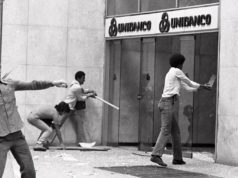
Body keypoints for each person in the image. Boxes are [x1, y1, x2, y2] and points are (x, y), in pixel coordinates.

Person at [150, 53, 211, 167]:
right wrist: (202, 86)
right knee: (166, 130)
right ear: (179, 64)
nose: (183, 66)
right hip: (167, 103)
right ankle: (155, 155)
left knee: (175, 132)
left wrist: (200, 88)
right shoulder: (176, 71)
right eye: (182, 64)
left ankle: (177, 158)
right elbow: (189, 82)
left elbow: (187, 87)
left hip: (168, 103)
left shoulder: (173, 73)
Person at [0, 78, 67, 178]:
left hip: (17, 136)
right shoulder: (54, 112)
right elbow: (56, 128)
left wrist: (52, 83)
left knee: (29, 172)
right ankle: (40, 143)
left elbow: (33, 84)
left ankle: (39, 143)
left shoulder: (9, 83)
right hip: (1, 138)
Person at [64, 71, 96, 145]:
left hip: (70, 108)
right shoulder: (76, 86)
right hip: (68, 108)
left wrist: (90, 91)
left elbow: (82, 91)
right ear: (78, 78)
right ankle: (81, 142)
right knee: (58, 125)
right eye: (83, 78)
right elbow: (80, 98)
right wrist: (90, 95)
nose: (84, 80)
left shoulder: (74, 84)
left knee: (80, 122)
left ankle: (81, 142)